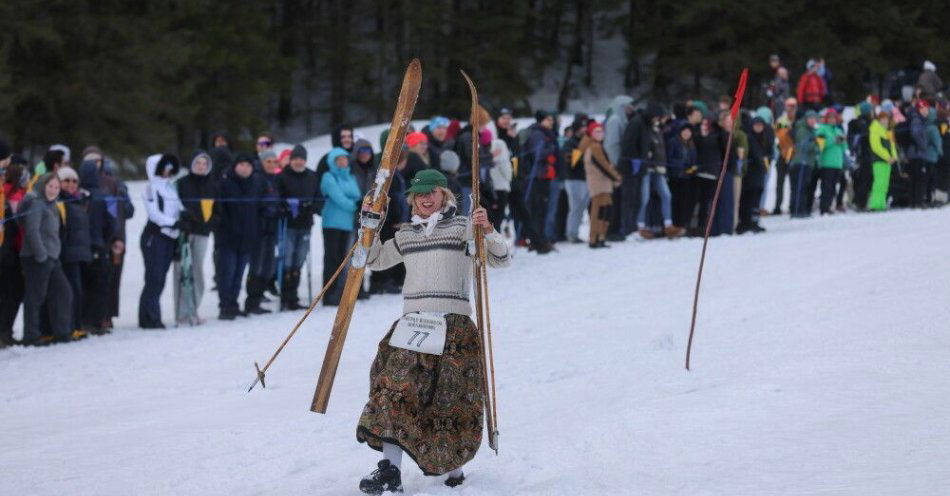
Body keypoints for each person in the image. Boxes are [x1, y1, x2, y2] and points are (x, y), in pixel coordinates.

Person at [356, 168, 510, 493]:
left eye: (432, 192)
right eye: (420, 194)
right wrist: (370, 226)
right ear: (412, 198)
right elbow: (372, 260)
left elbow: (500, 259)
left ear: (444, 194)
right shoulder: (406, 234)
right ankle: (389, 471)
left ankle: (452, 467)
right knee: (393, 390)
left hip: (453, 326)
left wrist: (488, 228)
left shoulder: (462, 227)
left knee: (447, 400)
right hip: (413, 325)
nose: (426, 199)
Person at [18, 173, 73, 345]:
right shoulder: (37, 204)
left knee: (63, 291)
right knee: (36, 297)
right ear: (43, 186)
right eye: (50, 186)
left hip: (52, 258)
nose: (53, 190)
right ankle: (31, 336)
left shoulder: (53, 206)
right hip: (37, 258)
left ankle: (62, 332)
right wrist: (41, 255)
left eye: (56, 187)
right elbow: (32, 231)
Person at [215, 154, 267, 320]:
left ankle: (234, 304)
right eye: (241, 164)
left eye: (248, 165)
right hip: (228, 238)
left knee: (239, 274)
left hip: (248, 237)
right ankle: (225, 306)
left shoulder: (256, 184)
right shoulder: (224, 183)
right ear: (235, 166)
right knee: (227, 273)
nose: (245, 168)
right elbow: (219, 211)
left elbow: (260, 209)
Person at [139, 154, 182, 329]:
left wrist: (186, 216)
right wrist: (174, 223)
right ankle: (149, 318)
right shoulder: (150, 188)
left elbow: (178, 207)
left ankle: (151, 316)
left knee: (161, 278)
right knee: (154, 277)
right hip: (154, 237)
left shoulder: (170, 187)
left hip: (169, 238)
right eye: (165, 166)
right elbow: (154, 214)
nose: (168, 170)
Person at [174, 151, 217, 325]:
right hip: (184, 232)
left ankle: (193, 310)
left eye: (204, 163)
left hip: (202, 233)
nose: (201, 166)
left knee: (197, 270)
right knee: (182, 271)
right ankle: (182, 314)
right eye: (197, 163)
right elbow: (173, 206)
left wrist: (210, 224)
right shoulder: (181, 183)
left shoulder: (213, 184)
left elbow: (218, 210)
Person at [276, 145, 320, 311]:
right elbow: (277, 197)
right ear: (291, 160)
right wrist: (284, 207)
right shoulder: (282, 177)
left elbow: (318, 197)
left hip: (305, 224)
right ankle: (285, 297)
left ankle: (293, 296)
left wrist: (313, 206)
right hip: (288, 224)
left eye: (301, 159)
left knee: (299, 259)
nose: (298, 162)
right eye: (295, 158)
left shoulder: (312, 176)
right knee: (287, 259)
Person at [320, 147, 362, 306]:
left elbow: (357, 194)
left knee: (342, 259)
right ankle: (329, 294)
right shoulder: (328, 176)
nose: (342, 162)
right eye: (339, 160)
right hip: (332, 223)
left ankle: (339, 292)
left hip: (346, 223)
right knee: (331, 259)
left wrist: (353, 201)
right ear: (333, 162)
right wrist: (354, 204)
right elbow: (337, 197)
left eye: (344, 159)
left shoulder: (350, 176)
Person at [57, 167, 93, 338]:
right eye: (66, 180)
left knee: (78, 290)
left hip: (80, 252)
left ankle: (76, 325)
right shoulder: (60, 201)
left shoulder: (79, 201)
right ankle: (68, 327)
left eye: (74, 181)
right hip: (66, 253)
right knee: (71, 290)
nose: (71, 184)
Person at [245, 149, 281, 314]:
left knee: (268, 266)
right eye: (268, 162)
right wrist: (265, 209)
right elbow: (254, 204)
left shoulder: (274, 179)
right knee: (257, 266)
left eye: (274, 162)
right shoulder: (257, 178)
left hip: (271, 229)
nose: (272, 165)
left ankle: (258, 298)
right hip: (259, 229)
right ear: (261, 163)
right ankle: (251, 302)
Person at [522, 110, 558, 251]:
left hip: (542, 176)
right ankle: (538, 241)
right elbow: (538, 154)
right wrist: (551, 148)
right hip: (537, 177)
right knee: (538, 210)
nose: (551, 122)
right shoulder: (538, 134)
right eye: (548, 119)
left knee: (541, 210)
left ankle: (540, 239)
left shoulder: (543, 133)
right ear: (541, 120)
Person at [1, 155, 27, 345]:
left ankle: (5, 331)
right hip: (11, 253)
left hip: (10, 251)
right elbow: (19, 228)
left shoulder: (7, 194)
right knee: (12, 293)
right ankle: (4, 331)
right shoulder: (16, 196)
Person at [583, 121, 623, 248]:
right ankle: (594, 238)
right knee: (599, 211)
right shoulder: (594, 147)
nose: (600, 133)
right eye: (597, 131)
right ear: (591, 133)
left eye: (601, 131)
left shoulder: (596, 146)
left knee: (605, 210)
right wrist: (616, 177)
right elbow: (603, 165)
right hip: (598, 184)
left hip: (603, 183)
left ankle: (600, 237)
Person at [737, 116, 774, 233]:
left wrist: (768, 158)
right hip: (750, 171)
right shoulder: (749, 137)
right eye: (756, 125)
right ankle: (745, 222)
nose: (758, 128)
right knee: (747, 198)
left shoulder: (766, 137)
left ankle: (754, 221)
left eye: (760, 125)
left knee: (756, 198)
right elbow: (754, 153)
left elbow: (770, 152)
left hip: (760, 172)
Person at [561, 118, 588, 243]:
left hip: (584, 178)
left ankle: (574, 232)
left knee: (581, 207)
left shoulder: (586, 141)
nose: (584, 129)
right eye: (582, 127)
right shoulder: (570, 143)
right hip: (573, 179)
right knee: (575, 207)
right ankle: (571, 233)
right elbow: (569, 160)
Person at [666, 122, 698, 231]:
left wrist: (693, 168)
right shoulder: (673, 142)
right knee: (675, 201)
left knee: (685, 202)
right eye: (684, 131)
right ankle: (675, 224)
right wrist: (682, 165)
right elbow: (669, 159)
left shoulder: (692, 145)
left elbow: (693, 160)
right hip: (675, 176)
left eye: (689, 131)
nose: (686, 133)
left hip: (687, 177)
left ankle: (682, 224)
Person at [815, 109, 847, 214]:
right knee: (826, 187)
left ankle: (828, 206)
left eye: (834, 118)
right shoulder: (822, 129)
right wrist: (833, 140)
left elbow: (844, 147)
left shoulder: (838, 130)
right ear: (826, 119)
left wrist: (843, 141)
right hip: (827, 163)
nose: (832, 120)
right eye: (830, 118)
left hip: (837, 163)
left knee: (833, 187)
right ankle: (824, 208)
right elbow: (820, 145)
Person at [789, 110, 819, 217]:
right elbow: (802, 146)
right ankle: (796, 210)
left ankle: (801, 209)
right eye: (810, 119)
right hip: (801, 162)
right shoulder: (803, 130)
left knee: (804, 187)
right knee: (799, 187)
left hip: (807, 163)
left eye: (814, 119)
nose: (812, 121)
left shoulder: (811, 130)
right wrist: (815, 145)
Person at [773, 97, 798, 214]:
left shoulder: (798, 121)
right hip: (782, 154)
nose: (791, 109)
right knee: (779, 183)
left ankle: (792, 206)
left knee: (794, 182)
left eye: (793, 106)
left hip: (794, 155)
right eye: (789, 106)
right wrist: (780, 148)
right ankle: (777, 206)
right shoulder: (781, 121)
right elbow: (776, 137)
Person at [868, 112, 897, 211]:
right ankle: (875, 204)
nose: (884, 121)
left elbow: (892, 145)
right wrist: (887, 156)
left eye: (886, 119)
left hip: (888, 161)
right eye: (882, 118)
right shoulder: (875, 129)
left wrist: (894, 157)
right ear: (879, 120)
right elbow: (875, 146)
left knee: (885, 183)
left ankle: (881, 204)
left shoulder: (888, 131)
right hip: (879, 160)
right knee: (879, 183)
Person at [907, 100, 932, 208]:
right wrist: (924, 146)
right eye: (924, 109)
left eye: (927, 109)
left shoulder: (918, 119)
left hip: (915, 153)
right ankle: (918, 202)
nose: (926, 111)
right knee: (920, 178)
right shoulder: (917, 120)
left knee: (916, 178)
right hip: (917, 153)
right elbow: (916, 134)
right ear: (919, 109)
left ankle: (914, 202)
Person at [489, 137, 513, 233]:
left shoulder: (489, 161)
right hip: (501, 189)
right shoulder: (503, 161)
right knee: (498, 216)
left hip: (491, 190)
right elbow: (508, 175)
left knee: (493, 217)